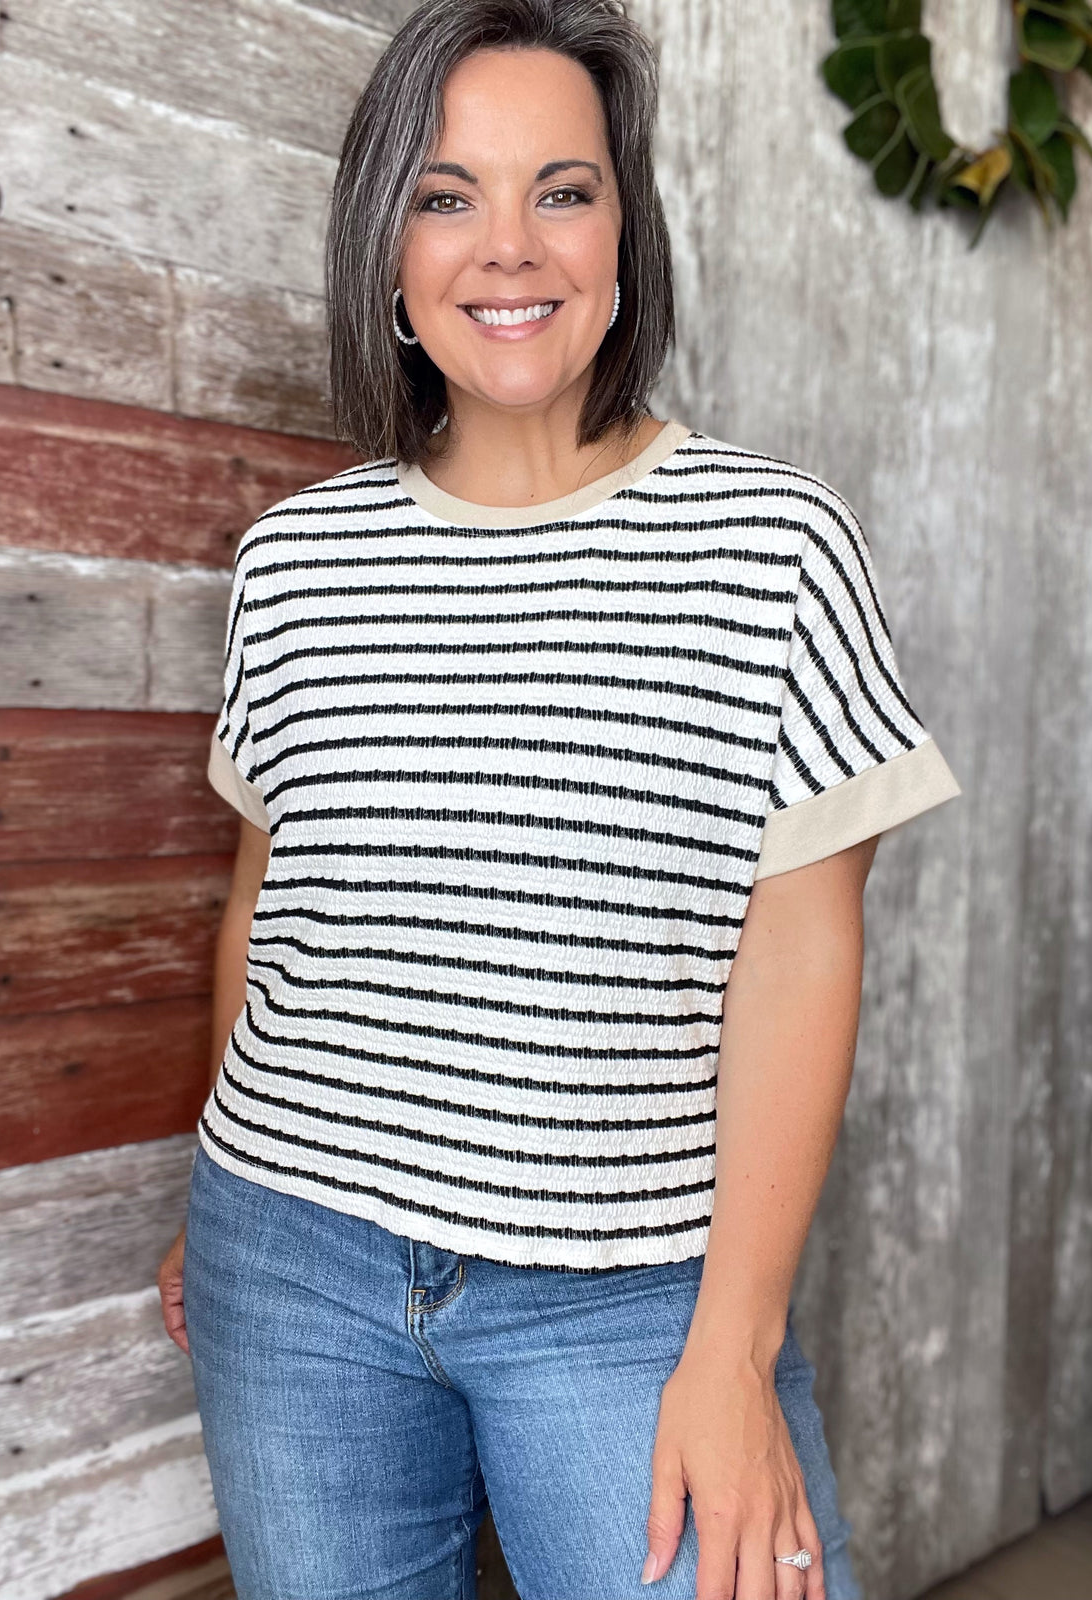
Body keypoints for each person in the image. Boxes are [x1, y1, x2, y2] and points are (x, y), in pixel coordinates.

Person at [157, 3, 962, 1597]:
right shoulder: (296, 562)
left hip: (632, 1291)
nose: (507, 248)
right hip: (289, 1260)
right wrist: (217, 1187)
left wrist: (735, 1348)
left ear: (624, 232)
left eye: (564, 189)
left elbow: (800, 957)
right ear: (384, 246)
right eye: (447, 195)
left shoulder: (769, 544)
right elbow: (269, 894)